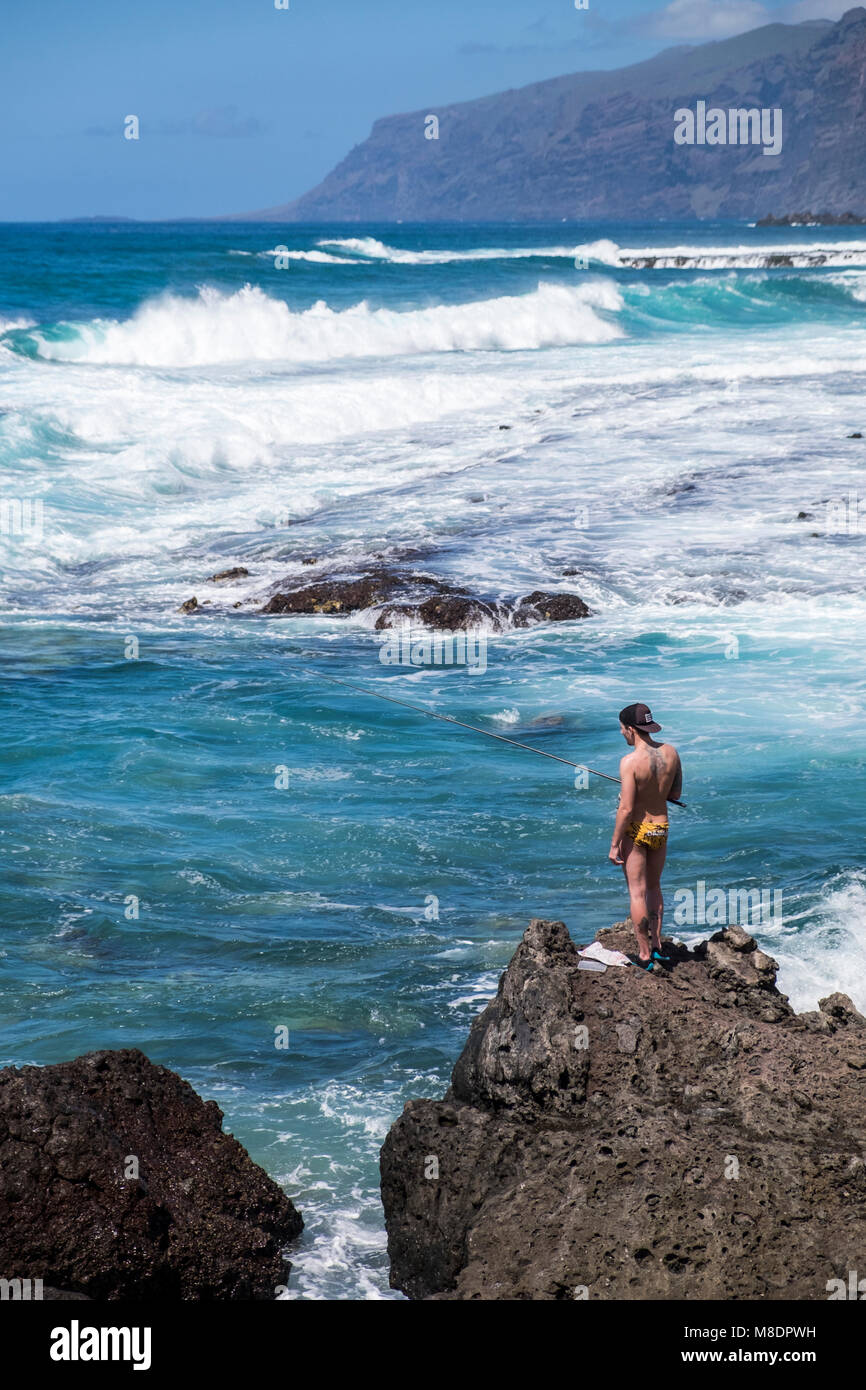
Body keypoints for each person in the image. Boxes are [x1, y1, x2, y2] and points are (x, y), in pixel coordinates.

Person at [608, 703, 682, 970]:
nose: (621, 734)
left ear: (630, 729)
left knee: (637, 892)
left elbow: (626, 808)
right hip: (660, 828)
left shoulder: (629, 762)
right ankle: (658, 947)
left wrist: (615, 844)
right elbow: (674, 795)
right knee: (654, 888)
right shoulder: (671, 753)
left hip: (637, 831)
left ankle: (643, 955)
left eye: (621, 730)